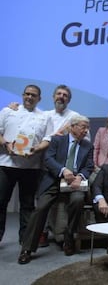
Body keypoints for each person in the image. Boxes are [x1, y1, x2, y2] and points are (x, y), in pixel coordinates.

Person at [18, 115, 94, 264]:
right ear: (72, 127)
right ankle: (27, 249)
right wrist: (63, 170)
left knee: (78, 200)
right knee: (41, 208)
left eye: (87, 127)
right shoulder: (57, 140)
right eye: (83, 127)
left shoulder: (88, 146)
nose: (86, 130)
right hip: (54, 180)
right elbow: (48, 159)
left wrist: (80, 176)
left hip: (74, 183)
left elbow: (89, 166)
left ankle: (69, 238)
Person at [0, 85, 54, 245]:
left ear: (39, 99)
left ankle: (26, 241)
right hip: (6, 164)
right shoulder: (8, 111)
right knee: (0, 202)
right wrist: (6, 145)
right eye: (27, 94)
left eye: (34, 95)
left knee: (28, 205)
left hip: (31, 166)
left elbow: (48, 139)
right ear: (23, 95)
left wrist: (37, 149)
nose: (30, 97)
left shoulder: (44, 117)